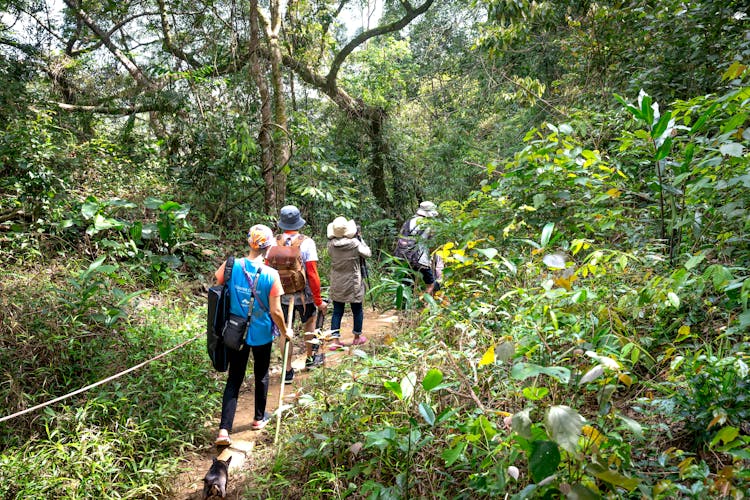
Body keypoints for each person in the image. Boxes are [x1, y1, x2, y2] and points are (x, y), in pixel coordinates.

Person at [212, 224, 293, 446]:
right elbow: (276, 311)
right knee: (261, 374)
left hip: (235, 332)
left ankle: (223, 431)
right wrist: (286, 332)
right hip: (261, 333)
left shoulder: (232, 265)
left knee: (234, 379)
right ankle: (258, 418)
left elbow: (218, 284)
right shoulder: (271, 275)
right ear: (268, 247)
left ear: (249, 243)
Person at [274, 205, 328, 382]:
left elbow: (268, 269)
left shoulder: (275, 242)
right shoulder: (307, 243)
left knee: (284, 331)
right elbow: (312, 273)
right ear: (299, 222)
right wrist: (318, 300)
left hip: (281, 293)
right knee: (310, 323)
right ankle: (311, 359)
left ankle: (287, 370)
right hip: (304, 295)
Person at [326, 216, 371, 348]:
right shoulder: (354, 244)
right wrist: (360, 239)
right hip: (353, 281)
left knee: (337, 311)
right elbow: (367, 253)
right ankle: (357, 337)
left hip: (337, 280)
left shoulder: (331, 245)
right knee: (357, 309)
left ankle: (335, 341)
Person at [396, 201, 440, 295]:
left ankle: (405, 307)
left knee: (407, 284)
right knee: (430, 284)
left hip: (405, 257)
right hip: (420, 258)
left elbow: (401, 237)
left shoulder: (408, 222)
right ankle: (424, 303)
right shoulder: (429, 224)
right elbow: (432, 244)